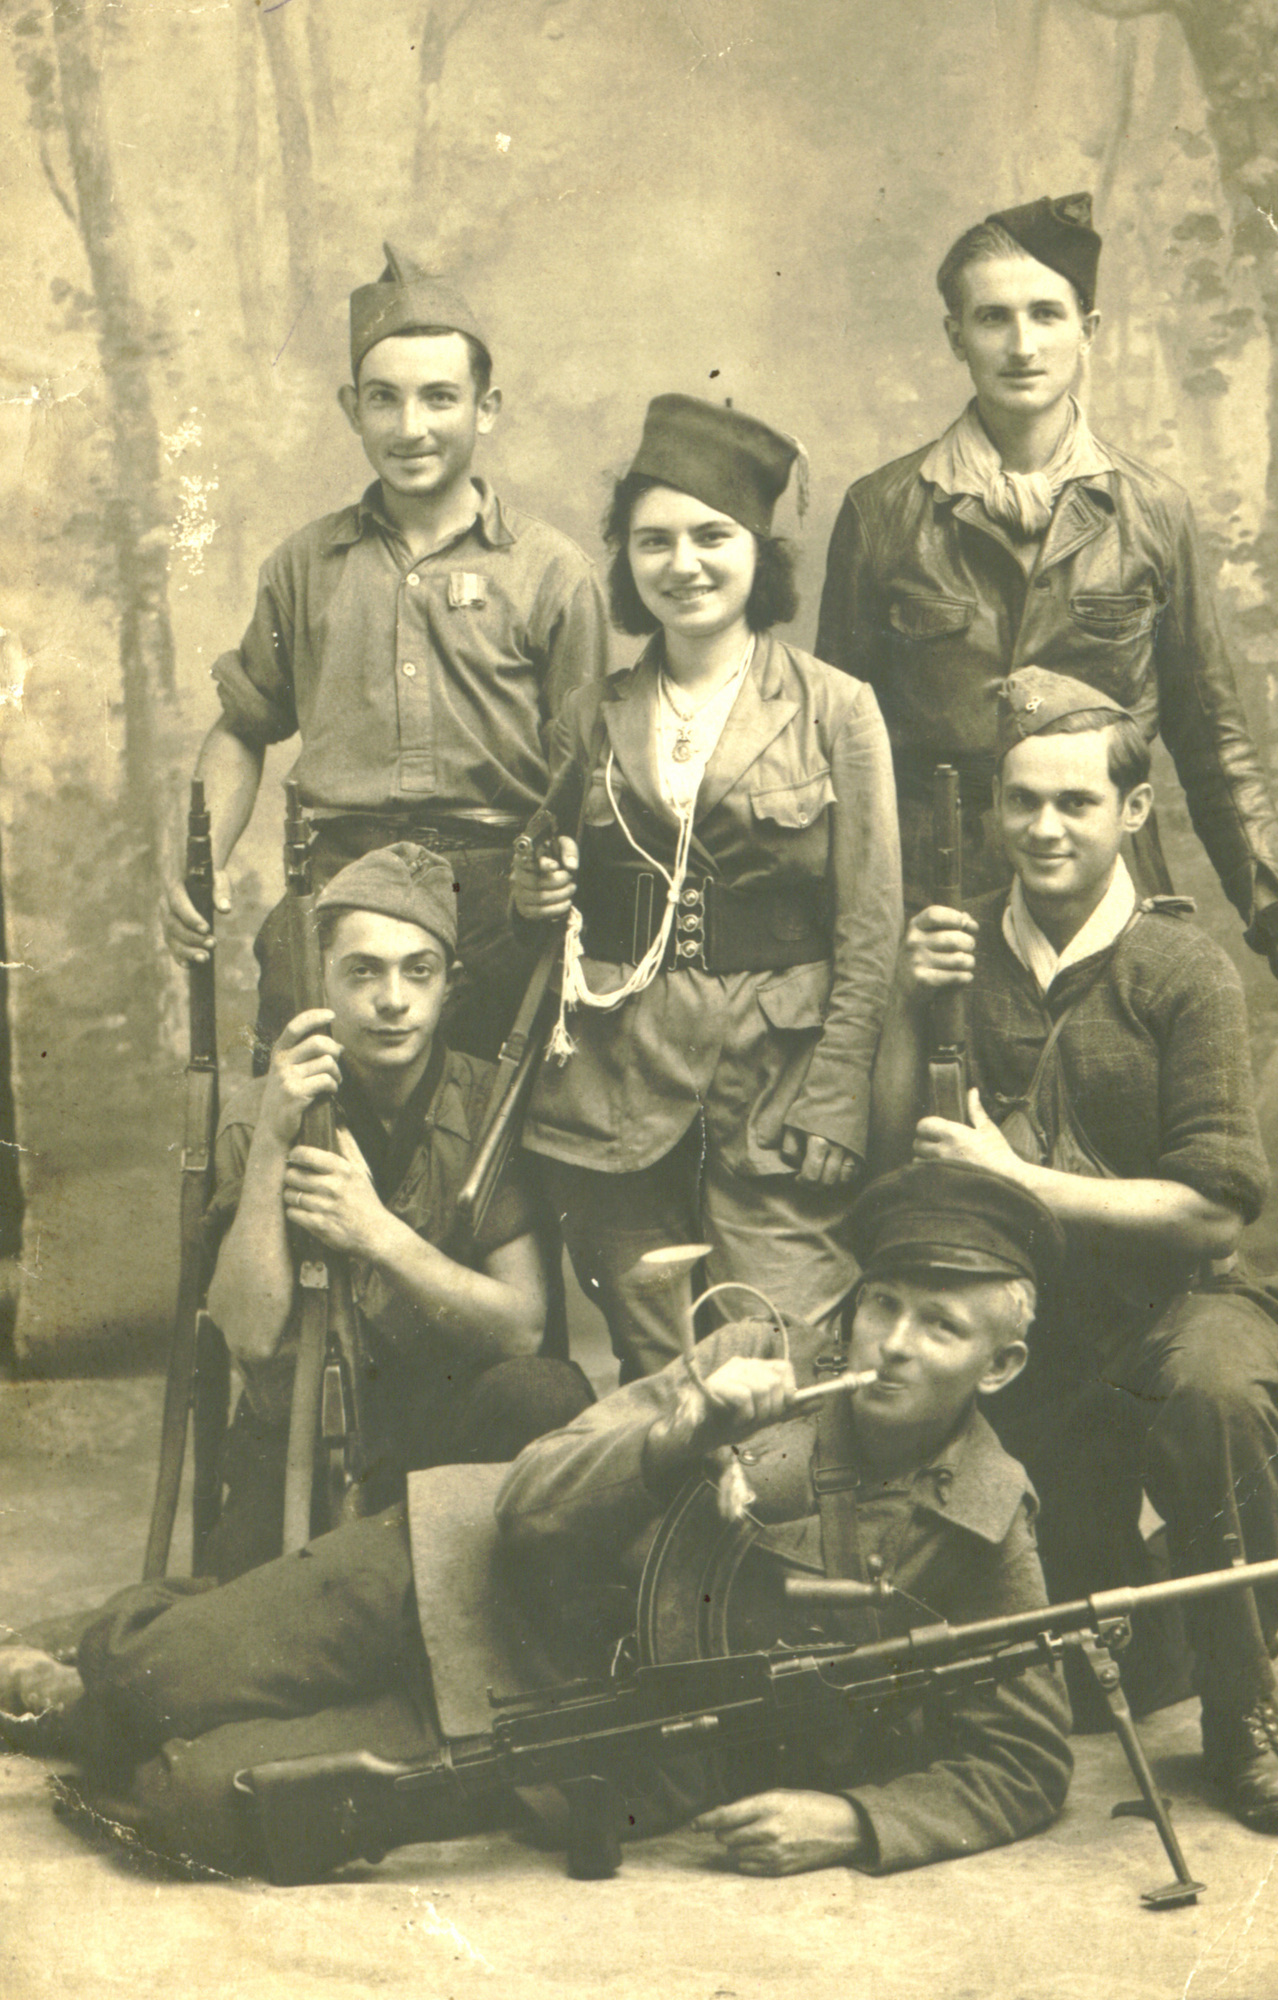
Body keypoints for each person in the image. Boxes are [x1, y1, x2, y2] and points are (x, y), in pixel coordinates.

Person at [0, 1161, 1072, 1883]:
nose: (893, 1344)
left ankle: (151, 1676)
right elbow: (530, 1498)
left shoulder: (981, 1519)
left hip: (561, 1722)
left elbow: (1026, 1760)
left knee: (188, 1801)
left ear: (1004, 1363)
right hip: (455, 1566)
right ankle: (114, 1650)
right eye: (883, 1304)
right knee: (142, 1677)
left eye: (941, 1327)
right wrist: (681, 1431)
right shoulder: (754, 1358)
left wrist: (857, 1822)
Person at [871, 666, 1278, 1835]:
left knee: (1214, 1392)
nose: (1044, 826)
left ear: (1132, 810)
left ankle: (1240, 1710)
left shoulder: (1184, 968)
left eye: (1076, 801)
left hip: (1184, 1303)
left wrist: (1024, 1181)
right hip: (1041, 1335)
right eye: (1021, 799)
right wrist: (906, 1004)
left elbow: (1214, 1213)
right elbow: (893, 1151)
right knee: (1062, 1672)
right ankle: (1180, 1616)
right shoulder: (961, 947)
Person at [815, 191, 1278, 1052]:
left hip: (1113, 915)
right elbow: (833, 761)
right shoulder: (883, 512)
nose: (1023, 344)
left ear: (1090, 329)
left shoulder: (1152, 513)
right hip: (937, 921)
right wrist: (869, 951)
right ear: (955, 336)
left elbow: (1213, 738)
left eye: (1047, 314)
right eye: (993, 318)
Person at [511, 394, 902, 1379]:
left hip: (776, 1085)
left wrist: (838, 1098)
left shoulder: (837, 709)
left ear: (760, 551)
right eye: (654, 542)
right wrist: (538, 891)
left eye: (711, 536)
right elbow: (548, 887)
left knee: (783, 1366)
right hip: (616, 1089)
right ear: (627, 561)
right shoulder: (590, 713)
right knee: (656, 1377)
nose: (682, 564)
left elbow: (869, 928)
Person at [160, 243, 608, 1066]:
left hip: (498, 906)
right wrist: (198, 858)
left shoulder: (553, 572)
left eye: (440, 397)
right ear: (351, 408)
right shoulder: (303, 567)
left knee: (489, 1127)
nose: (411, 428)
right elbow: (243, 727)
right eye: (384, 399)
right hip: (336, 890)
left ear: (486, 407)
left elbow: (588, 769)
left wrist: (549, 882)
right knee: (304, 1115)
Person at [196, 842, 593, 1581]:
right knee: (239, 1618)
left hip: (441, 1427)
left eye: (419, 971)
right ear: (321, 980)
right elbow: (247, 1333)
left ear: (449, 984)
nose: (392, 1000)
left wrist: (376, 1233)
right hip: (301, 1440)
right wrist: (274, 1142)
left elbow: (522, 1326)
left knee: (548, 1396)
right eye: (363, 971)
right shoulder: (261, 1110)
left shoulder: (485, 1101)